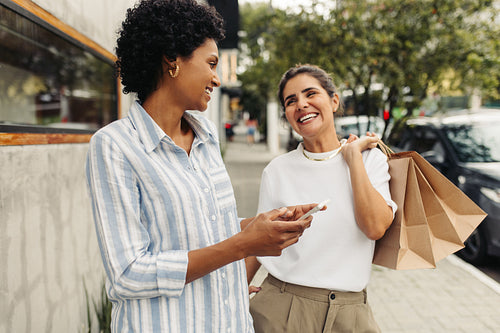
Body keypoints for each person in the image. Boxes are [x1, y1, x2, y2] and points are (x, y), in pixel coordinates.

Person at [85, 2, 317, 332]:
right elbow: (128, 275)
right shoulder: (115, 146)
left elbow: (208, 225)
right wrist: (245, 244)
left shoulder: (206, 137)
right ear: (172, 61)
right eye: (210, 64)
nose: (216, 79)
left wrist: (260, 224)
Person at [247, 64, 397, 333]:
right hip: (282, 308)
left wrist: (352, 159)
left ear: (334, 100)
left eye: (310, 94)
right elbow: (260, 241)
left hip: (351, 313)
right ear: (287, 115)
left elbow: (374, 227)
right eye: (291, 101)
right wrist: (235, 290)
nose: (301, 105)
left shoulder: (369, 159)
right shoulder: (277, 170)